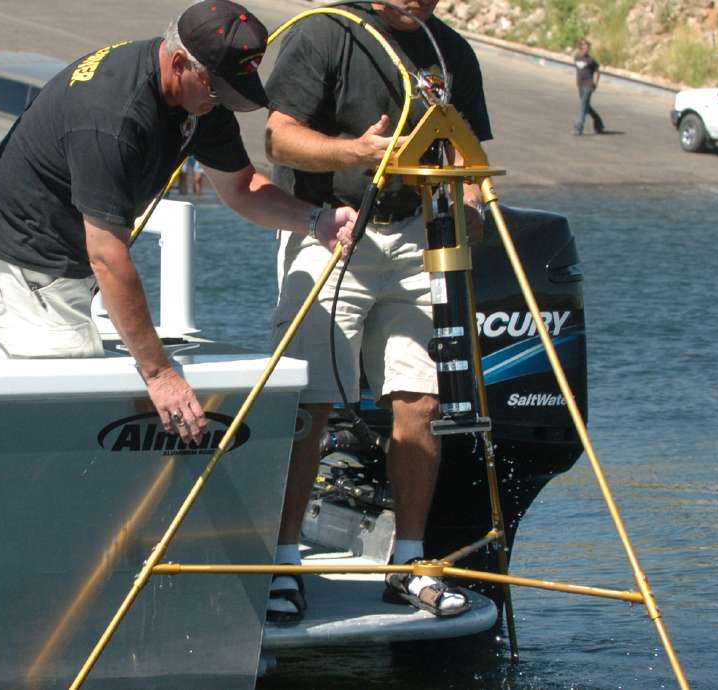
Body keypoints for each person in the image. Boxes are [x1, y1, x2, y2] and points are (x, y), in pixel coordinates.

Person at [0, 0, 357, 446]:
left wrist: (315, 220)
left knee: (86, 394)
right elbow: (107, 255)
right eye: (217, 89)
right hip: (19, 257)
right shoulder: (113, 118)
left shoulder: (198, 98)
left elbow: (240, 187)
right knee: (57, 414)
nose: (220, 101)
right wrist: (160, 373)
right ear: (179, 62)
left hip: (71, 254)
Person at [262, 0, 491, 621]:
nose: (423, 3)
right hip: (327, 229)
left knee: (421, 399)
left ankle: (410, 562)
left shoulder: (448, 51)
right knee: (309, 399)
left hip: (418, 235)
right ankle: (284, 560)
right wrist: (355, 153)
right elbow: (278, 135)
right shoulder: (326, 33)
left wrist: (469, 211)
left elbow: (465, 157)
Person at [573, 38, 605, 135]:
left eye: (588, 48)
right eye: (585, 48)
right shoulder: (576, 58)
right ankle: (599, 124)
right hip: (580, 85)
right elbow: (578, 72)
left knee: (583, 106)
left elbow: (598, 71)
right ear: (580, 48)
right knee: (587, 107)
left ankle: (578, 127)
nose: (587, 50)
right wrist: (577, 82)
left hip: (588, 85)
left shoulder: (591, 60)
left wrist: (596, 83)